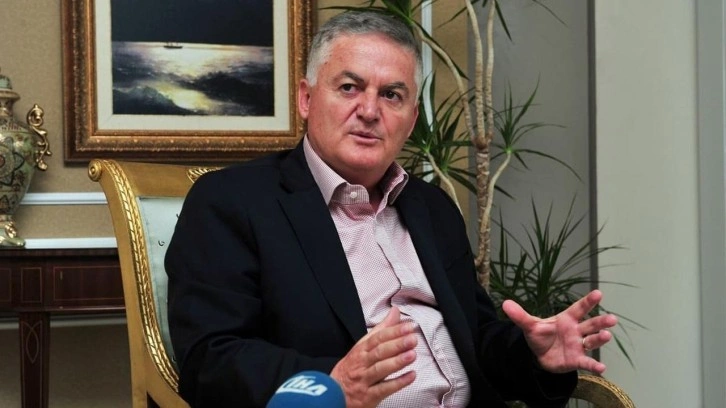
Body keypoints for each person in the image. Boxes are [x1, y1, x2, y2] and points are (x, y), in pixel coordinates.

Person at [165, 10, 617, 408]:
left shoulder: (432, 208)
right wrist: (332, 384)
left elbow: (476, 341)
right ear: (306, 98)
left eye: (392, 95)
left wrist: (534, 356)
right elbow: (211, 359)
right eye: (349, 87)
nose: (369, 110)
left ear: (412, 119)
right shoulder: (233, 202)